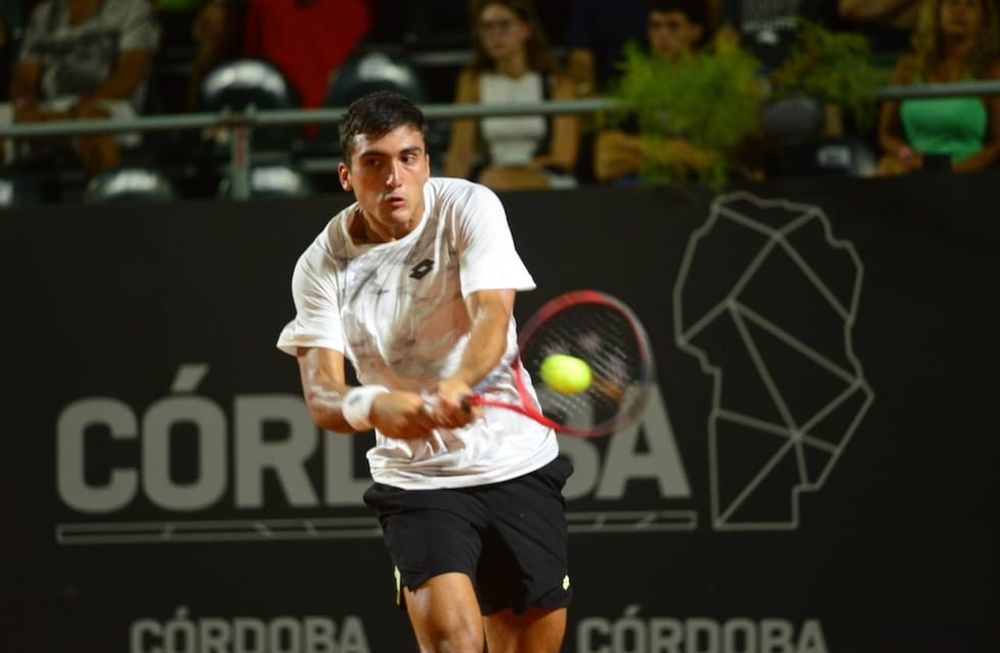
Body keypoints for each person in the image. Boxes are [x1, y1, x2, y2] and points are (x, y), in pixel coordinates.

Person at [277, 90, 572, 653]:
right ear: (346, 175)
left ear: (427, 164)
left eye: (408, 158)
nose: (395, 177)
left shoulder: (469, 207)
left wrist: (458, 384)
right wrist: (372, 406)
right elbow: (322, 395)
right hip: (419, 482)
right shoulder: (320, 266)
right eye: (375, 162)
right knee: (454, 644)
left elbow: (492, 314)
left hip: (516, 463)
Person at [0, 0, 159, 175]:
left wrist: (73, 113)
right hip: (48, 108)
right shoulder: (44, 13)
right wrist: (26, 107)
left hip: (109, 104)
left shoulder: (132, 7)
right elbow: (24, 76)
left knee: (93, 123)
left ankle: (108, 198)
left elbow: (129, 73)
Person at [443, 0, 580, 190]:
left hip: (548, 178)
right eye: (487, 27)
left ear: (526, 30)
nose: (495, 34)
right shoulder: (473, 81)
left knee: (495, 182)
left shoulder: (557, 82)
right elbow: (461, 152)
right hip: (491, 176)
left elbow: (565, 156)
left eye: (504, 25)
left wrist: (519, 170)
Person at [592, 0, 716, 184]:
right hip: (638, 192)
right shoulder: (631, 84)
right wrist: (671, 153)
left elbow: (712, 161)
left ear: (696, 31)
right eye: (655, 26)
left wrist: (634, 145)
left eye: (673, 26)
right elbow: (604, 163)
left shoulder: (715, 82)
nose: (663, 34)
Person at [877, 0, 1000, 174]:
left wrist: (954, 172)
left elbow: (997, 144)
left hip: (968, 175)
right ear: (936, 11)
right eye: (953, 3)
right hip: (915, 170)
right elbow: (887, 134)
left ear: (983, 17)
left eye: (970, 4)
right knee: (888, 167)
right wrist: (908, 155)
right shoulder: (908, 67)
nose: (960, 11)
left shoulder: (991, 71)